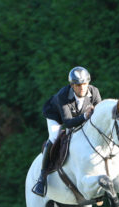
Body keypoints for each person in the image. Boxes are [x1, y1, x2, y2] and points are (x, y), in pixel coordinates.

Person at [32, 66, 102, 197]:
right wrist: (86, 116)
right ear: (72, 85)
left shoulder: (95, 92)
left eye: (85, 84)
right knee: (54, 137)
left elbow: (98, 116)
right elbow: (69, 122)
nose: (82, 88)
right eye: (78, 85)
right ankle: (42, 177)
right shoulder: (62, 96)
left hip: (79, 115)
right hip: (56, 116)